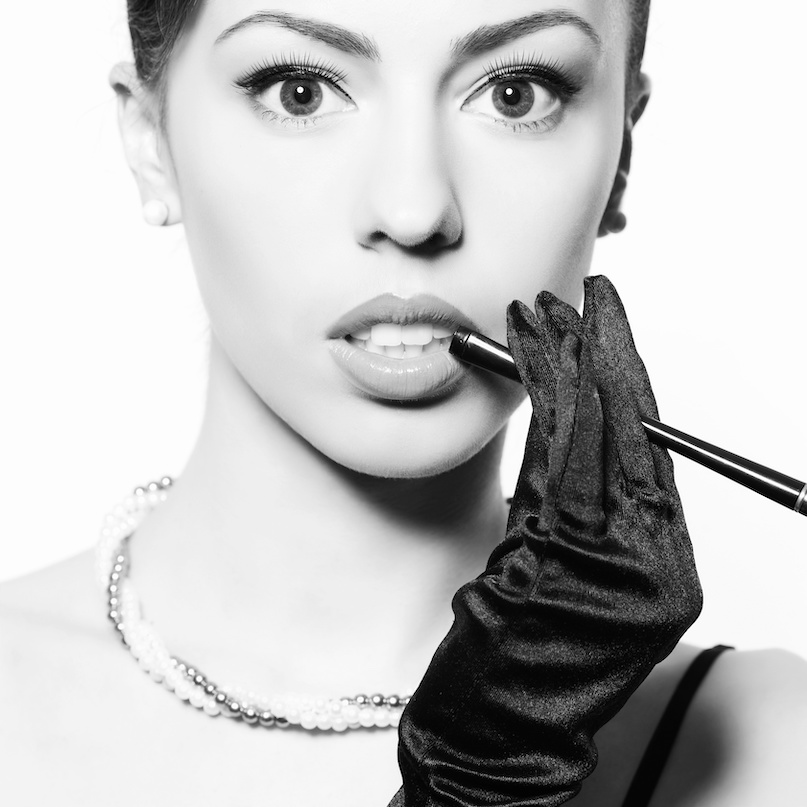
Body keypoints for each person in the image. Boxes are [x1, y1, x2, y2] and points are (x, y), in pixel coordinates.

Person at [1, 1, 805, 805]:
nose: (414, 211)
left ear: (619, 153)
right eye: (301, 91)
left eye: (515, 93)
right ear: (151, 142)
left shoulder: (774, 755)